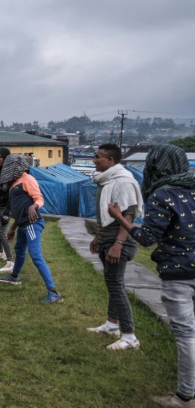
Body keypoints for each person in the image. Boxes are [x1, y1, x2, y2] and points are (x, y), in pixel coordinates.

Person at [109, 145, 195, 407]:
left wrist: (120, 218)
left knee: (186, 335)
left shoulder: (163, 194)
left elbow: (147, 238)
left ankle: (185, 396)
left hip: (179, 273)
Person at [87, 143, 143, 351]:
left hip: (118, 241)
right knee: (112, 283)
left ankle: (129, 336)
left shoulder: (123, 181)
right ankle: (111, 325)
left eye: (98, 157)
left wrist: (118, 243)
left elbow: (128, 215)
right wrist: (98, 236)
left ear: (110, 160)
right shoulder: (106, 179)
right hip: (106, 238)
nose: (94, 160)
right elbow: (105, 213)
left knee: (116, 285)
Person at [0, 154, 63, 303]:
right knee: (19, 250)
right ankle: (14, 277)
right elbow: (19, 210)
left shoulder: (27, 179)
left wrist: (34, 206)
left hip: (32, 224)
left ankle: (53, 292)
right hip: (22, 225)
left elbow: (39, 198)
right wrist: (13, 228)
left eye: (9, 165)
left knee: (35, 255)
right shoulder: (13, 184)